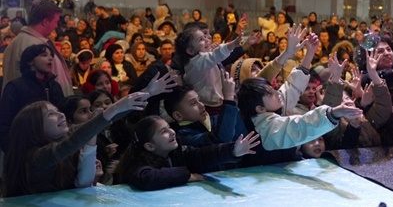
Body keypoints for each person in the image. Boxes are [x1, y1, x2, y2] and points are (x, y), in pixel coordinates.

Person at [1, 91, 150, 197]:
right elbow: (74, 141)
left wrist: (149, 92)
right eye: (51, 114)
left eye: (58, 110)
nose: (61, 115)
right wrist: (115, 108)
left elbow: (106, 121)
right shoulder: (36, 157)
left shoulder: (61, 138)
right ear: (34, 127)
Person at [115, 115, 260, 191]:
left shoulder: (176, 152)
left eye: (168, 127)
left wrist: (232, 150)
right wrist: (187, 175)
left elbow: (203, 155)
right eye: (163, 131)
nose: (172, 132)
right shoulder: (138, 164)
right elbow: (147, 178)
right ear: (150, 146)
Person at [0, 44, 66, 152]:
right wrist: (10, 150)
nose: (50, 58)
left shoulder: (54, 86)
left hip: (54, 147)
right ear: (30, 61)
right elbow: (4, 122)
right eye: (44, 55)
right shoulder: (16, 87)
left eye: (51, 56)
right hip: (26, 148)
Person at [1, 0, 72, 97]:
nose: (56, 26)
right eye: (55, 21)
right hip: (37, 107)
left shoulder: (14, 43)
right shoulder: (40, 47)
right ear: (45, 22)